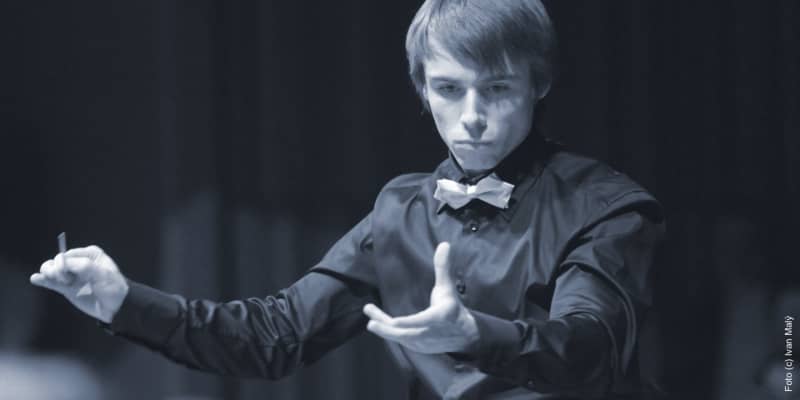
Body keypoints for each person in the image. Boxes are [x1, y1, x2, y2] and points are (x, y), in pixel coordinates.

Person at [30, 0, 665, 398]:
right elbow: (276, 335)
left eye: (496, 89)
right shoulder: (400, 210)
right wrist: (122, 301)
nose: (471, 116)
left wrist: (476, 333)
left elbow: (590, 348)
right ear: (423, 90)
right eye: (449, 89)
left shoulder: (607, 206)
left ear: (539, 83)